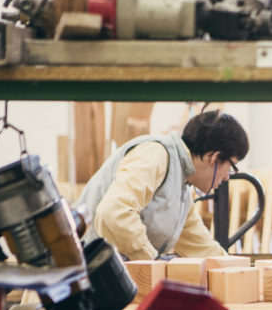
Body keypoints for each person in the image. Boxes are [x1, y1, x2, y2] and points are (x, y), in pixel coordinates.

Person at [77, 109, 248, 260]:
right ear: (214, 157)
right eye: (231, 167)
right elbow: (113, 213)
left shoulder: (181, 187)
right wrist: (152, 260)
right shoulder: (156, 155)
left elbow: (200, 245)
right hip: (85, 271)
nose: (227, 178)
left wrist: (230, 267)